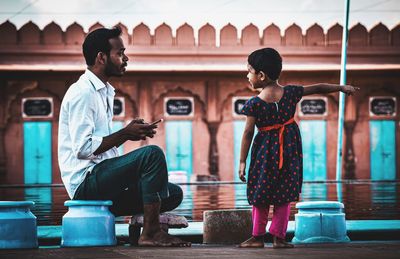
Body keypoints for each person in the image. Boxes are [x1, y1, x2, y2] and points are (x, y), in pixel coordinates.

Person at [58, 26, 190, 247]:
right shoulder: (83, 93)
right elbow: (83, 148)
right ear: (101, 57)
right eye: (119, 53)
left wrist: (129, 134)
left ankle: (139, 229)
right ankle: (150, 233)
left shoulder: (104, 91)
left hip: (103, 180)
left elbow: (102, 145)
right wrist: (126, 133)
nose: (125, 58)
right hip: (85, 184)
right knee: (152, 154)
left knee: (172, 193)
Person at [237, 48, 359, 248]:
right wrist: (341, 87)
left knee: (260, 193)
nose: (247, 75)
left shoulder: (254, 104)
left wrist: (242, 161)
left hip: (263, 155)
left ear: (261, 75)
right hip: (289, 151)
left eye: (249, 71)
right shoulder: (291, 93)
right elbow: (318, 87)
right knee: (283, 194)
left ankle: (257, 237)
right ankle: (279, 237)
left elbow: (248, 133)